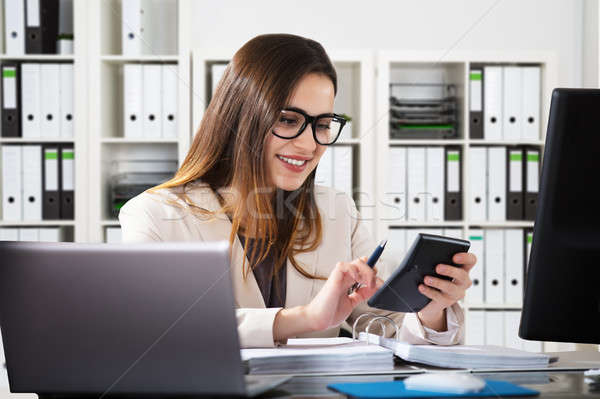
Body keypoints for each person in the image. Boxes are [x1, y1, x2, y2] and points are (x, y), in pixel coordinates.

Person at [119, 34, 476, 348]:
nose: (309, 144)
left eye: (322, 125)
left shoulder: (337, 211)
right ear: (242, 117)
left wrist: (430, 310)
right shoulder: (154, 215)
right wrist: (306, 318)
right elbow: (152, 330)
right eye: (288, 120)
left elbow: (386, 328)